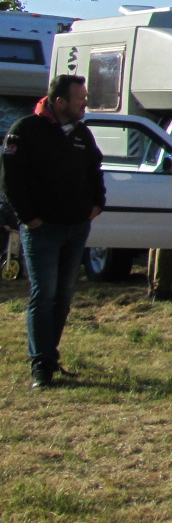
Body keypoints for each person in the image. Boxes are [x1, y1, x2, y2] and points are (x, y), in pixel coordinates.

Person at [1, 74, 104, 388]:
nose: (85, 104)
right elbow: (11, 179)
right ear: (60, 102)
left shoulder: (81, 133)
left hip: (76, 227)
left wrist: (97, 203)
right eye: (80, 99)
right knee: (44, 295)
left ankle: (50, 354)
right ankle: (40, 366)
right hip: (42, 229)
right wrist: (28, 217)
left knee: (63, 296)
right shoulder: (25, 131)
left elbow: (94, 169)